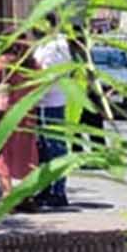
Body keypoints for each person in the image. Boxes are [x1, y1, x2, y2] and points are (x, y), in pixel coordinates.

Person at [0, 39, 40, 200]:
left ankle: (7, 193)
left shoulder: (4, 62)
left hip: (4, 114)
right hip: (26, 113)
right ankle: (27, 195)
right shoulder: (33, 65)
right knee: (26, 154)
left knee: (1, 153)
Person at [29, 22, 77, 209]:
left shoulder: (53, 47)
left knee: (52, 147)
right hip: (52, 100)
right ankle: (47, 188)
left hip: (48, 102)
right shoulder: (52, 44)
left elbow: (47, 76)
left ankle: (56, 191)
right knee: (45, 148)